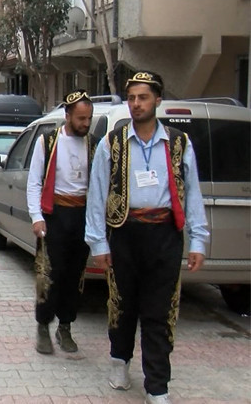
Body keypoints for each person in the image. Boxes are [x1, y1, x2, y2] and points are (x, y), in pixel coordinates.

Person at [85, 71, 209, 404]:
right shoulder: (113, 142)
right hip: (125, 233)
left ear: (158, 100)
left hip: (165, 236)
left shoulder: (178, 143)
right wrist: (98, 242)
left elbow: (192, 193)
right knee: (122, 304)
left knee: (160, 310)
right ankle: (119, 360)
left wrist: (198, 240)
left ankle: (157, 385)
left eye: (143, 97)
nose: (136, 104)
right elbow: (97, 194)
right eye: (132, 98)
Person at [26, 89, 97, 354]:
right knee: (48, 274)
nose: (85, 124)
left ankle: (65, 326)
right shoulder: (48, 141)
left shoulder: (94, 144)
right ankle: (43, 326)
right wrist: (37, 217)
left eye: (88, 118)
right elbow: (34, 181)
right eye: (81, 118)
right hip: (54, 215)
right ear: (67, 116)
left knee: (74, 274)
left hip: (82, 215)